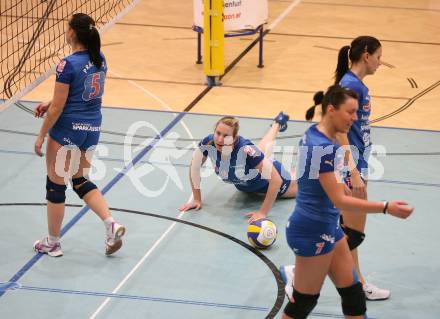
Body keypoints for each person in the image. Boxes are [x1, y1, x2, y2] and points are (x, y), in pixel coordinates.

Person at [279, 85, 413, 319]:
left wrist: (345, 180)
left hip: (328, 225)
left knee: (354, 297)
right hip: (312, 230)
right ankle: (295, 274)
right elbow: (340, 201)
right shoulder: (322, 147)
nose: (355, 118)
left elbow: (325, 185)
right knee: (303, 303)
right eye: (350, 112)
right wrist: (385, 207)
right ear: (331, 110)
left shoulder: (316, 133)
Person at [293, 35, 388, 300]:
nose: (380, 63)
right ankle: (300, 273)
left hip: (360, 162)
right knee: (353, 234)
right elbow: (341, 134)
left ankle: (357, 283)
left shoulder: (356, 84)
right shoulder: (350, 85)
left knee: (344, 231)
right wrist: (354, 171)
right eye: (379, 57)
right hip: (352, 165)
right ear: (366, 55)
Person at [33, 13, 125, 257]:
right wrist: (51, 100)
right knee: (80, 180)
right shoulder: (99, 58)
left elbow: (57, 109)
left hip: (67, 130)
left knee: (55, 186)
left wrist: (41, 135)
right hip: (91, 129)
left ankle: (52, 242)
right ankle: (110, 223)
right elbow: (77, 91)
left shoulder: (67, 64)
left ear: (72, 32)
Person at [179, 112, 297, 222]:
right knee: (260, 153)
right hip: (247, 185)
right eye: (218, 133)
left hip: (276, 184)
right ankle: (278, 122)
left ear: (235, 138)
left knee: (310, 184)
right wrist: (196, 199)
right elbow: (194, 167)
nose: (220, 139)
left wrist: (262, 212)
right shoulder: (208, 142)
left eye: (226, 136)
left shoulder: (246, 150)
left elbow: (276, 181)